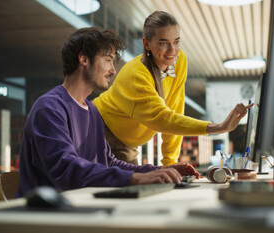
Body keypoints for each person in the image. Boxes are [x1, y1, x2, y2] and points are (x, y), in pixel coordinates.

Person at [16, 27, 200, 197]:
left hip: (80, 210)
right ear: (84, 59)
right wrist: (133, 179)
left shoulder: (93, 112)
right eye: (108, 60)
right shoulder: (49, 107)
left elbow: (110, 162)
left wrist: (155, 171)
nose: (113, 70)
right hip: (45, 217)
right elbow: (65, 168)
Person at [93, 11, 253, 165]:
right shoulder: (136, 75)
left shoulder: (179, 60)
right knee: (123, 187)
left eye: (176, 41)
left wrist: (170, 162)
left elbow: (175, 110)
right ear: (146, 43)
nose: (172, 50)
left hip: (127, 141)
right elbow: (163, 119)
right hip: (100, 129)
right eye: (163, 43)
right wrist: (218, 127)